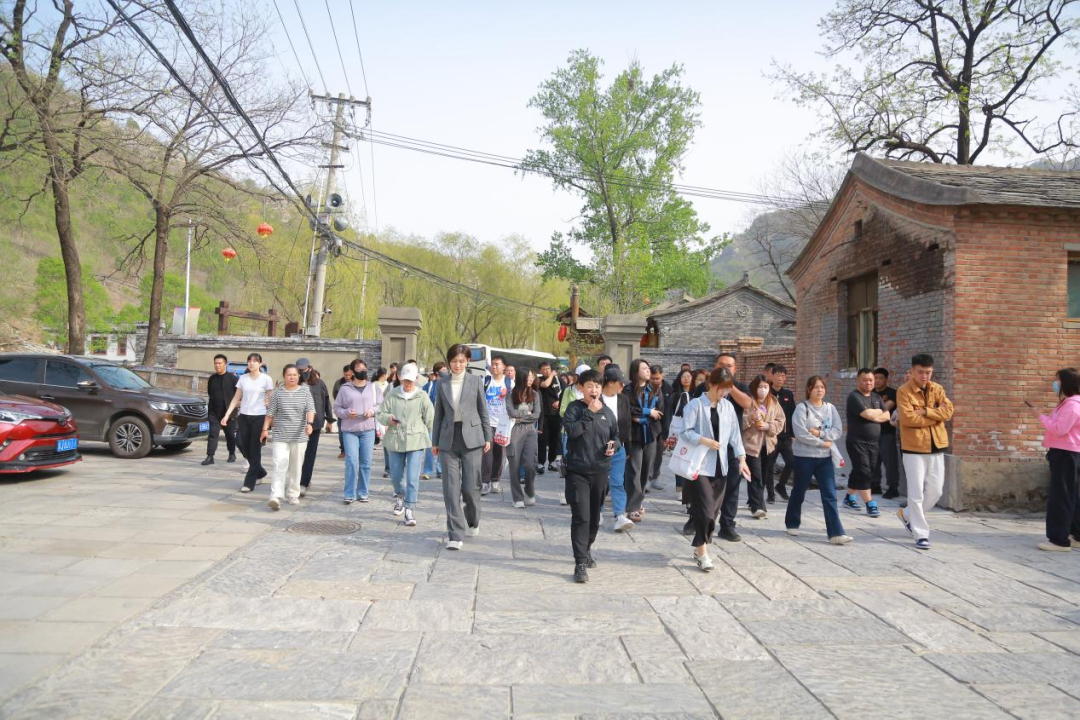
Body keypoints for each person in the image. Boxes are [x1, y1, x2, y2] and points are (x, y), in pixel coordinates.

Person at [679, 367, 751, 572]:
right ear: (710, 384)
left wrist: (742, 459)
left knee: (713, 513)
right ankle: (703, 553)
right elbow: (685, 432)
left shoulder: (728, 407)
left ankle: (699, 547)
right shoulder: (695, 405)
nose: (724, 393)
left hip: (721, 466)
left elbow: (735, 435)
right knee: (705, 511)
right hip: (699, 466)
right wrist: (704, 440)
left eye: (727, 389)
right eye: (721, 388)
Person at [432, 344, 491, 550]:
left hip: (472, 440)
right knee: (450, 489)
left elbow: (483, 411)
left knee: (470, 488)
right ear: (449, 362)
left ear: (467, 362)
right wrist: (434, 441)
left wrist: (488, 436)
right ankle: (455, 534)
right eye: (454, 361)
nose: (458, 365)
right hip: (448, 439)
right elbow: (438, 414)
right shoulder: (442, 383)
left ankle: (473, 519)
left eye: (462, 361)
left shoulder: (475, 381)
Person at [563, 369, 619, 583]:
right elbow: (572, 432)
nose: (593, 390)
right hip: (578, 472)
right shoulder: (574, 409)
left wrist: (614, 445)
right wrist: (589, 413)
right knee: (581, 517)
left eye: (597, 386)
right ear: (581, 388)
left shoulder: (608, 412)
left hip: (601, 472)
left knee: (594, 519)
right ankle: (579, 563)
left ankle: (586, 549)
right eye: (589, 386)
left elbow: (616, 436)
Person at [896, 354, 954, 550]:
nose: (924, 376)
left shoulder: (938, 389)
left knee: (936, 491)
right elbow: (908, 419)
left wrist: (925, 411)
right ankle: (920, 533)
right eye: (920, 372)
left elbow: (948, 412)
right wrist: (936, 415)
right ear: (912, 371)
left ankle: (907, 514)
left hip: (937, 445)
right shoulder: (904, 391)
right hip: (913, 448)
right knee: (916, 493)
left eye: (928, 372)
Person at [786, 376, 853, 544]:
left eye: (822, 387)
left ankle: (836, 533)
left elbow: (837, 430)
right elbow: (800, 433)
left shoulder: (830, 408)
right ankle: (792, 522)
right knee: (799, 491)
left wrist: (820, 434)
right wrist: (822, 443)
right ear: (809, 389)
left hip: (824, 459)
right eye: (816, 387)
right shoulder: (802, 408)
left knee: (830, 494)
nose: (820, 390)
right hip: (804, 457)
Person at [694, 353, 752, 543]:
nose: (725, 368)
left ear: (735, 369)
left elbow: (747, 404)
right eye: (721, 365)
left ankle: (727, 525)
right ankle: (697, 520)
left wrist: (729, 385)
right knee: (703, 488)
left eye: (729, 366)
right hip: (705, 448)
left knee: (732, 487)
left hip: (729, 448)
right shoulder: (703, 388)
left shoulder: (740, 388)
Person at [377, 362, 433, 527]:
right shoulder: (393, 394)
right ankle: (400, 496)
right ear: (400, 378)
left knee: (412, 477)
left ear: (416, 379)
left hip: (416, 439)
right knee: (396, 476)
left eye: (411, 380)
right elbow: (381, 414)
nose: (408, 383)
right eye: (405, 380)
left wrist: (430, 436)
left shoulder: (422, 396)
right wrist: (389, 419)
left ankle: (409, 509)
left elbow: (430, 418)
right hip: (395, 439)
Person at [1033, 368, 1080, 551]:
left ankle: (1059, 540)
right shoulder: (1068, 403)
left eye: (1058, 380)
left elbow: (1059, 429)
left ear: (1066, 383)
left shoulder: (1072, 405)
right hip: (1068, 453)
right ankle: (1076, 534)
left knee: (1061, 496)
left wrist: (1040, 416)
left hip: (1066, 453)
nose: (1055, 384)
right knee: (1072, 496)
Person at [261, 364, 315, 511]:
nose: (292, 377)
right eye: (289, 375)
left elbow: (310, 409)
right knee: (279, 464)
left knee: (296, 466)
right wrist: (265, 429)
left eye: (294, 375)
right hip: (280, 435)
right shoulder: (277, 393)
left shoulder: (305, 391)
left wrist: (309, 424)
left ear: (299, 376)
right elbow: (270, 413)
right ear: (284, 376)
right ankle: (276, 496)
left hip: (299, 436)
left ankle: (293, 493)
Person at [221, 353, 274, 492]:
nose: (251, 363)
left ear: (260, 364)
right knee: (240, 443)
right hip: (244, 416)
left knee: (254, 448)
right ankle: (260, 472)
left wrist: (271, 418)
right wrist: (227, 415)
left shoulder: (266, 379)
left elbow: (272, 400)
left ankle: (249, 483)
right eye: (249, 361)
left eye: (255, 361)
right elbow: (236, 398)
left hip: (259, 416)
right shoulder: (243, 378)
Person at [333, 358, 382, 504]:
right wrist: (347, 412)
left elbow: (381, 405)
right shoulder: (345, 388)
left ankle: (363, 492)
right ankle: (349, 493)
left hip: (367, 430)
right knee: (352, 461)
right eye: (359, 370)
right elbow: (337, 408)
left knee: (366, 463)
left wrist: (372, 411)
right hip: (350, 430)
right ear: (353, 372)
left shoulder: (373, 388)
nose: (362, 372)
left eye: (364, 369)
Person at [843, 369, 891, 517]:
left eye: (871, 380)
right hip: (857, 441)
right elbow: (867, 414)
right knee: (864, 471)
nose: (868, 382)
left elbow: (887, 416)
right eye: (865, 380)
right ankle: (870, 503)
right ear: (858, 381)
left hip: (873, 442)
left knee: (861, 470)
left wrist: (874, 415)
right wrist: (877, 412)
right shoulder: (854, 397)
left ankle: (849, 498)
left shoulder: (876, 397)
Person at [624, 358, 663, 523]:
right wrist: (647, 412)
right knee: (634, 470)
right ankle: (632, 508)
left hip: (651, 434)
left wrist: (640, 415)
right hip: (634, 436)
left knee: (646, 470)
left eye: (648, 368)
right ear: (636, 371)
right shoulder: (627, 390)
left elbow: (660, 411)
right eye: (644, 368)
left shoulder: (655, 389)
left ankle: (637, 501)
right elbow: (626, 409)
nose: (648, 371)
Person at [742, 374, 785, 519]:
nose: (763, 390)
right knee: (756, 475)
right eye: (760, 387)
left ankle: (753, 500)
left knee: (764, 475)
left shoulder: (773, 402)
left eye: (766, 387)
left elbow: (780, 421)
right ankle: (758, 507)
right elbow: (739, 422)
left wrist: (767, 426)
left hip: (768, 445)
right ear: (755, 387)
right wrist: (751, 418)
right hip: (751, 444)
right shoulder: (748, 402)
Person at [602, 366, 634, 532]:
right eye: (620, 383)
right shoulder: (596, 398)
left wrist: (627, 447)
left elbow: (627, 424)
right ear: (610, 383)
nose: (623, 386)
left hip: (618, 446)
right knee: (599, 482)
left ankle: (619, 515)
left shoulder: (623, 400)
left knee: (617, 482)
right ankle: (596, 511)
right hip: (598, 448)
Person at [297, 358, 334, 498]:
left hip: (315, 424)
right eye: (299, 370)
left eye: (304, 369)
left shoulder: (319, 383)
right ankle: (297, 479)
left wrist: (329, 419)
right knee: (297, 454)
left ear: (310, 368)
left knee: (310, 454)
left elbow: (326, 401)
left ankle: (304, 482)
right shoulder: (295, 383)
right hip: (297, 424)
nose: (302, 372)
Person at [505, 366, 541, 508]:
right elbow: (511, 413)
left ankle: (529, 491)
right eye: (528, 377)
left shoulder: (535, 395)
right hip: (514, 430)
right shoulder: (511, 395)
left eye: (532, 377)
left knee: (530, 464)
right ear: (521, 378)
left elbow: (536, 415)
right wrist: (527, 414)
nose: (531, 379)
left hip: (530, 431)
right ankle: (517, 497)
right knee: (514, 464)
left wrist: (521, 416)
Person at [481, 355, 513, 496]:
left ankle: (495, 481)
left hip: (502, 424)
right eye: (492, 364)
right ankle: (485, 482)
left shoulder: (509, 383)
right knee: (486, 453)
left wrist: (508, 394)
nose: (494, 366)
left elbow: (516, 400)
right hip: (487, 423)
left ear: (504, 367)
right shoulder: (485, 381)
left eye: (497, 364)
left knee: (500, 453)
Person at [204, 353, 238, 466]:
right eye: (215, 363)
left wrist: (232, 412)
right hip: (214, 412)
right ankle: (210, 456)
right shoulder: (212, 379)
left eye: (220, 363)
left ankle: (232, 453)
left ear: (226, 364)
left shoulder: (233, 379)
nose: (217, 365)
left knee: (230, 435)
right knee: (213, 434)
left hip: (228, 413)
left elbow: (238, 395)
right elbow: (210, 393)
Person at [769, 364, 796, 502]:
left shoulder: (788, 395)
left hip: (785, 438)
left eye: (783, 375)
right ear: (772, 376)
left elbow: (792, 414)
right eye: (778, 375)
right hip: (771, 437)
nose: (780, 378)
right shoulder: (767, 393)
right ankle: (770, 493)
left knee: (791, 463)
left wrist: (793, 434)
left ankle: (781, 486)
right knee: (769, 466)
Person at [873, 367, 900, 499]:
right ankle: (875, 485)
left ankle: (893, 488)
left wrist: (870, 411)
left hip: (887, 432)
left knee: (889, 461)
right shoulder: (870, 393)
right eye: (875, 378)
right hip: (872, 432)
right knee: (873, 460)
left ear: (886, 379)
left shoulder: (892, 393)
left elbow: (886, 408)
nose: (877, 381)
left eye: (881, 378)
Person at [647, 364, 671, 490]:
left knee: (658, 455)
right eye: (653, 378)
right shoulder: (645, 388)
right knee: (648, 455)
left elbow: (669, 411)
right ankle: (646, 479)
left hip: (663, 427)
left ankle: (655, 478)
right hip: (649, 426)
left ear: (662, 376)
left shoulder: (668, 389)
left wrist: (667, 431)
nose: (655, 381)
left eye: (657, 378)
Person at [536, 361, 563, 473]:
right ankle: (541, 463)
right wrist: (552, 374)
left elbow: (564, 393)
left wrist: (559, 402)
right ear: (540, 371)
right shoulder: (538, 380)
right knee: (542, 439)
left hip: (556, 414)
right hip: (543, 414)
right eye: (544, 369)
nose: (547, 371)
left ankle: (552, 462)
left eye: (548, 369)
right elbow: (545, 385)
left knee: (554, 439)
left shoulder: (559, 380)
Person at [422, 361, 446, 480]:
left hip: (445, 420)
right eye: (442, 370)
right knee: (430, 446)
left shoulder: (449, 384)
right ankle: (427, 470)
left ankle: (440, 470)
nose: (445, 372)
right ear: (437, 372)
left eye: (446, 370)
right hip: (432, 420)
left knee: (443, 446)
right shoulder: (429, 385)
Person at [333, 364, 354, 460]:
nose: (348, 377)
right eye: (346, 375)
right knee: (341, 432)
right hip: (342, 411)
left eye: (349, 374)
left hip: (354, 411)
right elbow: (335, 394)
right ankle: (343, 450)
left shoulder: (356, 382)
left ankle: (352, 450)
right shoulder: (339, 383)